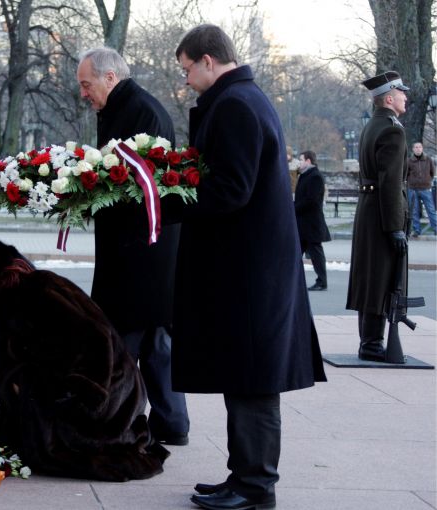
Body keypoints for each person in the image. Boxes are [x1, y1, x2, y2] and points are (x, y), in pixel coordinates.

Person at [172, 25, 326, 510]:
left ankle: (255, 487)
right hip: (250, 268)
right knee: (243, 377)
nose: (186, 80)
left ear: (208, 61)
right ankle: (242, 476)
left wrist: (170, 198)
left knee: (253, 382)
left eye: (187, 69)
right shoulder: (242, 99)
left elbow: (231, 189)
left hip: (250, 272)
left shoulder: (236, 105)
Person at [0, 237, 170, 482]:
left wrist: (40, 390)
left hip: (107, 396)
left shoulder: (39, 292)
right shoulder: (2, 305)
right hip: (66, 390)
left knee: (54, 449)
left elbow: (95, 344)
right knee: (2, 439)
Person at [76, 47, 190, 446]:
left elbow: (139, 186)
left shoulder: (141, 111)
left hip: (140, 252)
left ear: (110, 78)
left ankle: (119, 423)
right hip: (143, 250)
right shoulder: (126, 108)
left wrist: (86, 192)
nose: (84, 93)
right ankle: (170, 422)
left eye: (87, 84)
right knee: (154, 343)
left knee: (125, 343)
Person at [347, 71, 411, 362]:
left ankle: (369, 340)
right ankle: (372, 344)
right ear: (388, 99)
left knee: (371, 276)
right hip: (384, 214)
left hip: (369, 210)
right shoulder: (392, 130)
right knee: (382, 277)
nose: (405, 97)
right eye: (401, 93)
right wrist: (395, 227)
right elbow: (391, 182)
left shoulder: (373, 125)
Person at [295, 150, 332, 291]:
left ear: (308, 161)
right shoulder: (306, 175)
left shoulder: (315, 176)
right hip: (304, 224)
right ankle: (292, 280)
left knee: (316, 254)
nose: (299, 162)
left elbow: (312, 200)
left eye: (301, 160)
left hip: (311, 224)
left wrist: (294, 208)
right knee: (295, 253)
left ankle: (322, 282)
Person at [407, 142, 436, 237]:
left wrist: (427, 181)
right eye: (416, 147)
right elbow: (406, 174)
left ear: (422, 148)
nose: (418, 149)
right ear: (413, 149)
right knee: (414, 211)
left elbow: (432, 172)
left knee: (431, 210)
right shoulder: (409, 161)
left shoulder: (428, 159)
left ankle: (436, 229)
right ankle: (416, 230)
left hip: (426, 189)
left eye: (419, 147)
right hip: (412, 189)